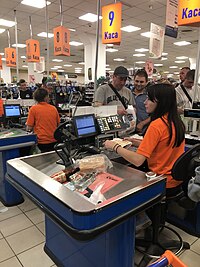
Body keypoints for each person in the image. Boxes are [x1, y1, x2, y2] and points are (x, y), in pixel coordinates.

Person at [104, 83, 185, 194]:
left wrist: (114, 146)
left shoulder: (157, 125)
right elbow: (163, 145)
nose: (145, 102)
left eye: (150, 99)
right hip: (176, 180)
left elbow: (138, 160)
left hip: (161, 181)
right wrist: (135, 142)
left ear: (160, 103)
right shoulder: (176, 121)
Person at [26, 88, 60, 153]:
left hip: (41, 142)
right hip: (54, 141)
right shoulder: (53, 108)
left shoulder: (33, 109)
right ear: (45, 97)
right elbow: (58, 124)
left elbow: (29, 128)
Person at [133, 69, 150, 134]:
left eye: (142, 82)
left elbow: (155, 114)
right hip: (129, 131)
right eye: (137, 81)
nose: (139, 84)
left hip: (145, 131)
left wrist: (142, 123)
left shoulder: (150, 96)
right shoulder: (128, 93)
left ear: (146, 82)